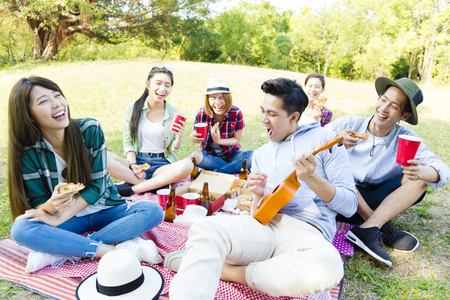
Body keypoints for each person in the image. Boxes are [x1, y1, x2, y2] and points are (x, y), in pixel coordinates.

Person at [164, 78, 358, 299]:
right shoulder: (262, 154)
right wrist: (257, 195)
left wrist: (313, 179)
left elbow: (350, 206)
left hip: (307, 234)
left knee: (329, 266)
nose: (264, 120)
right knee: (206, 228)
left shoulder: (326, 139)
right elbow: (258, 215)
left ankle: (227, 271)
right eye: (263, 111)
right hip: (265, 229)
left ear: (294, 117)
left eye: (272, 115)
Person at [8, 77, 164, 274]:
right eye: (43, 101)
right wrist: (51, 205)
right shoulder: (29, 152)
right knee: (21, 230)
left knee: (153, 211)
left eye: (57, 95)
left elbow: (98, 186)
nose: (57, 103)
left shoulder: (89, 129)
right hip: (70, 220)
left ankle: (64, 251)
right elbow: (39, 201)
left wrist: (58, 219)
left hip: (108, 210)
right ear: (29, 116)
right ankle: (114, 249)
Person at [326, 76, 450, 267]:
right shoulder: (349, 123)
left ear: (405, 115)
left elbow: (442, 171)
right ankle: (377, 225)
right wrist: (334, 141)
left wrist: (422, 171)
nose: (383, 108)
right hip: (338, 198)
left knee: (418, 179)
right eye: (383, 100)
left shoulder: (407, 138)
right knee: (335, 167)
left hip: (375, 198)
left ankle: (369, 227)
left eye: (394, 106)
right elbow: (311, 146)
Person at [107, 66, 193, 196]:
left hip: (162, 166)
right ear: (148, 84)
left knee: (187, 165)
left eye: (167, 85)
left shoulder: (175, 114)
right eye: (158, 83)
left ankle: (132, 189)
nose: (162, 89)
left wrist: (179, 137)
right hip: (138, 163)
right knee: (103, 157)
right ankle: (152, 185)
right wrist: (133, 165)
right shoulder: (133, 108)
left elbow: (173, 149)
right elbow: (128, 141)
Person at [189, 77, 253, 174]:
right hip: (210, 157)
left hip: (231, 154)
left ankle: (218, 171)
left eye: (222, 98)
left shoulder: (236, 112)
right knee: (195, 156)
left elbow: (237, 140)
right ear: (208, 99)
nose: (217, 102)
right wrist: (192, 137)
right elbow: (194, 133)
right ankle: (233, 168)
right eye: (213, 98)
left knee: (254, 155)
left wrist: (218, 140)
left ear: (228, 98)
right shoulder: (202, 113)